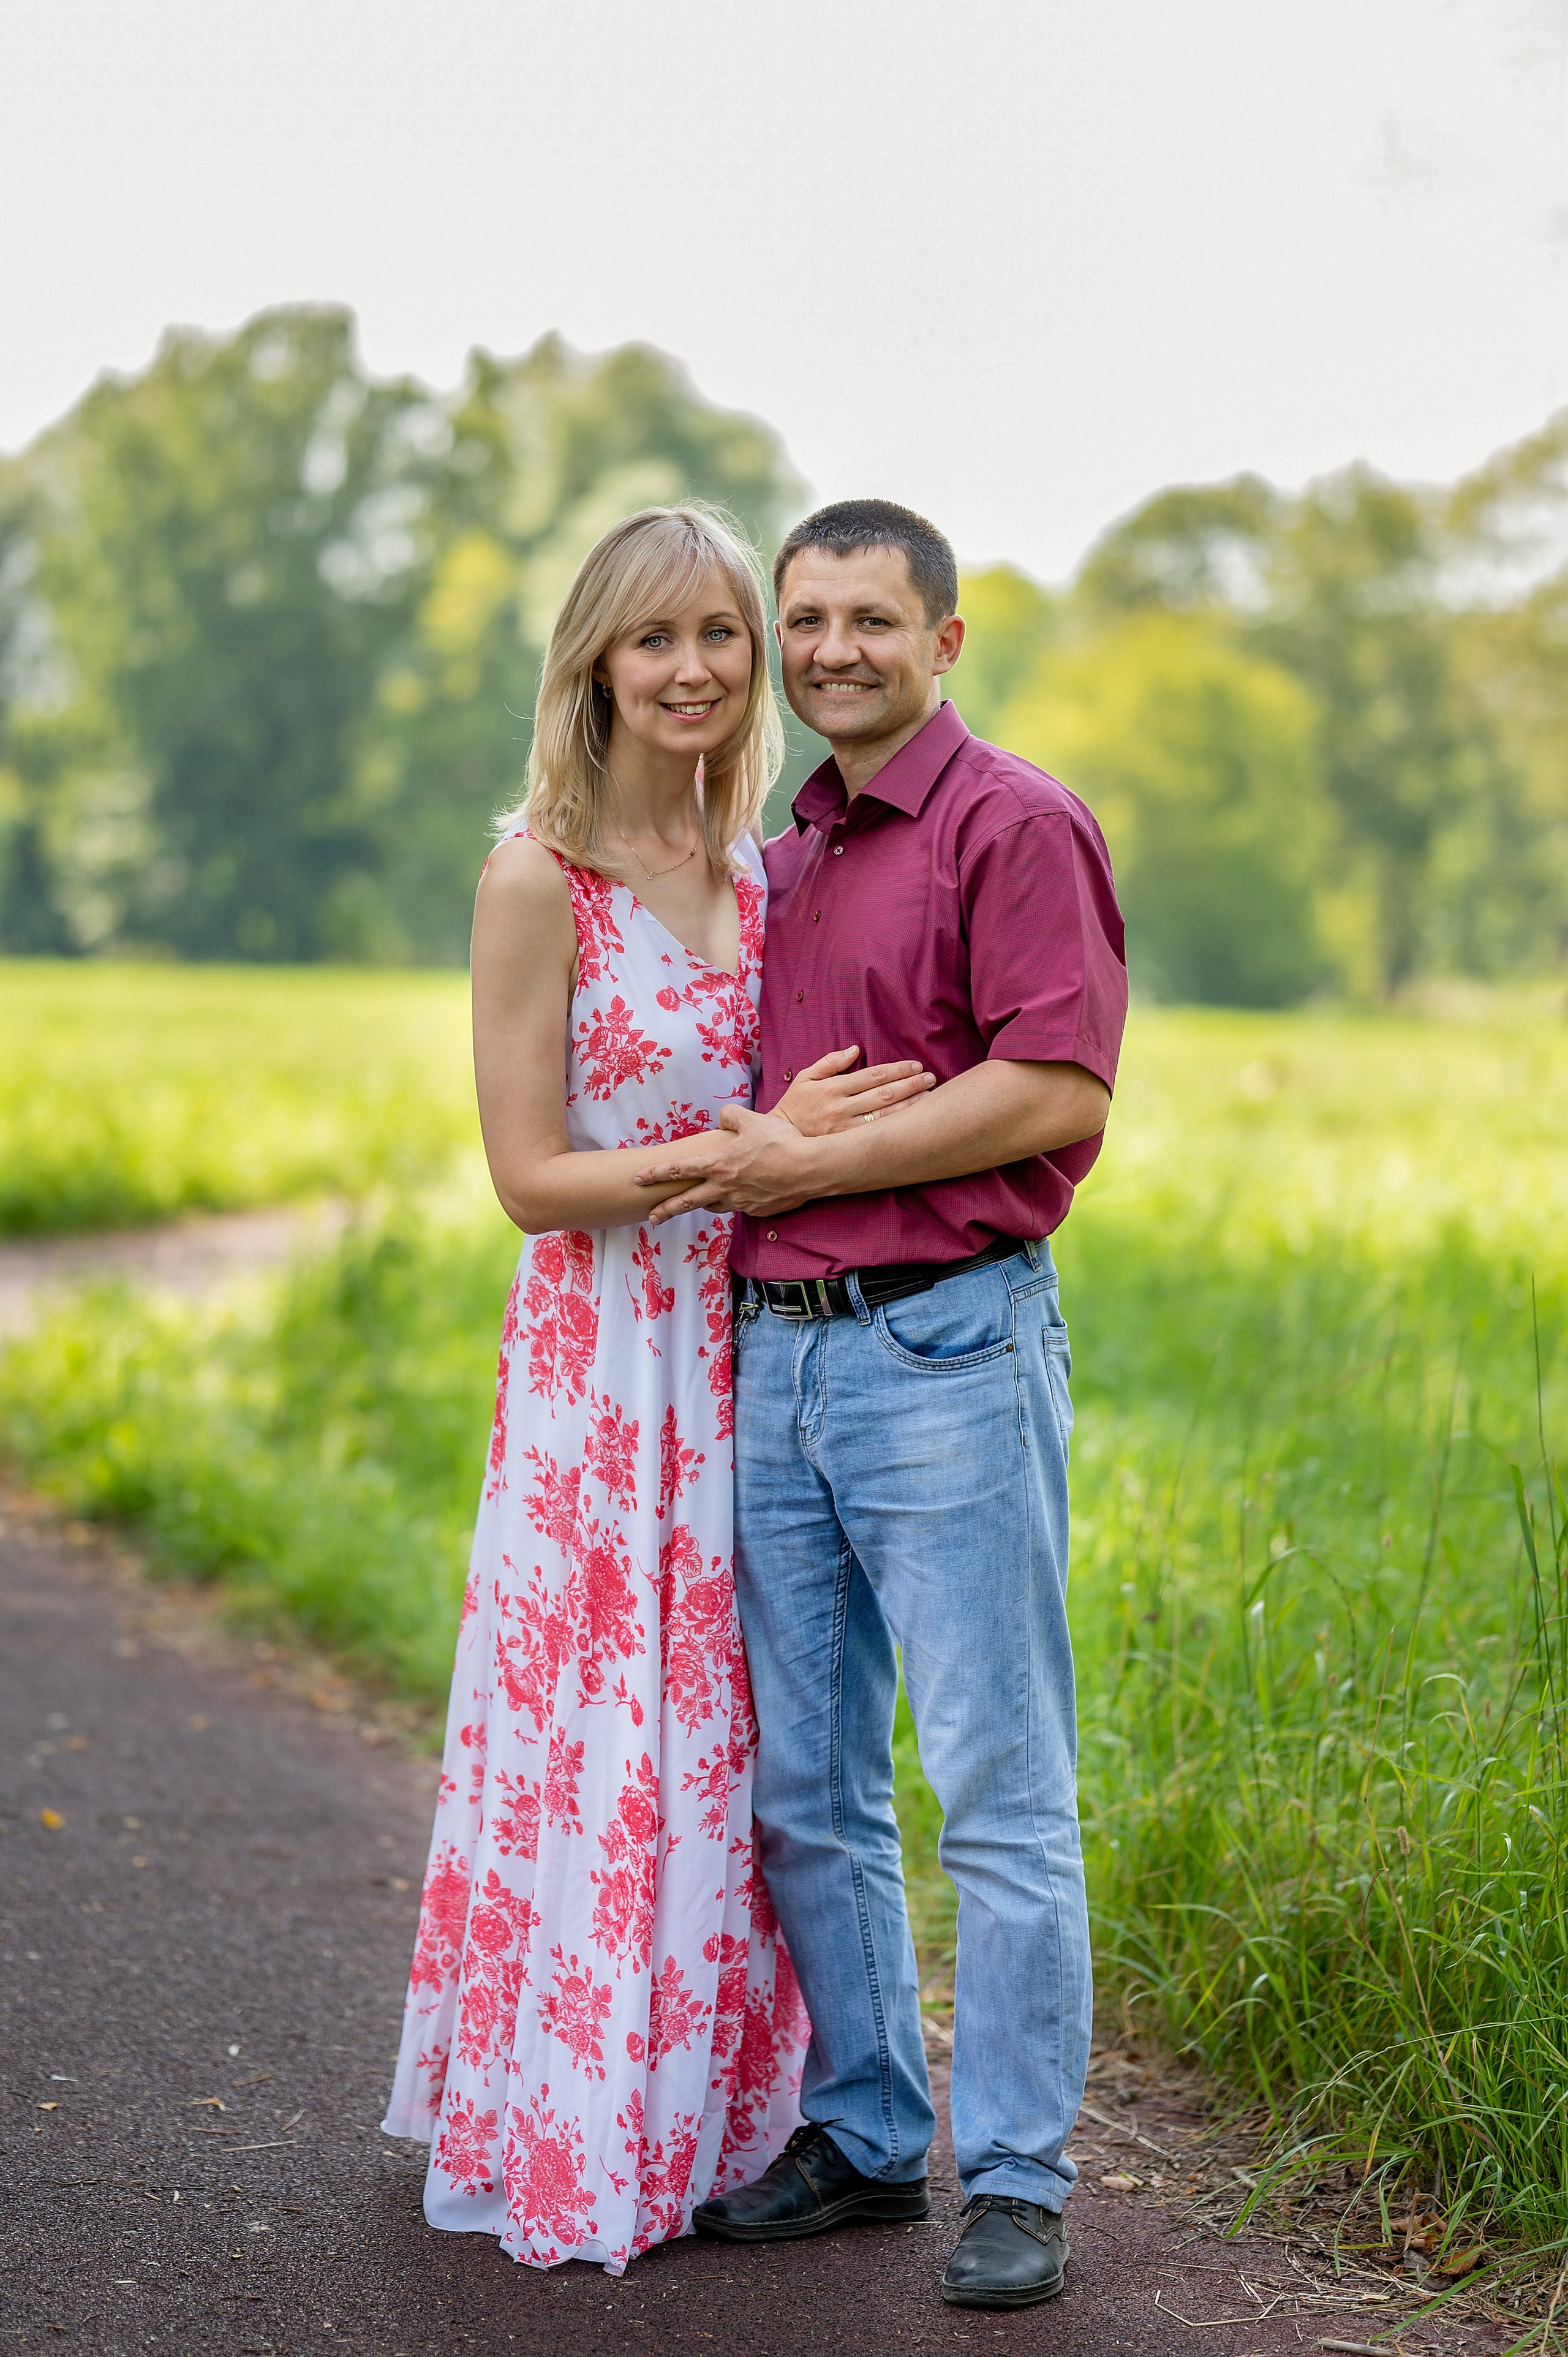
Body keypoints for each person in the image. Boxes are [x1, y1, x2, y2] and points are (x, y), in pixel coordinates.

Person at [380, 503, 934, 2272]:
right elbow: (531, 1180)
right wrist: (747, 1153)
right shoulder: (538, 874)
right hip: (609, 1373)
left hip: (762, 1346)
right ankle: (581, 2113)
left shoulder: (763, 869)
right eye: (655, 640)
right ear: (595, 666)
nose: (694, 669)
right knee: (617, 1736)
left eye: (720, 635)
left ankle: (748, 2116)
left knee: (751, 1742)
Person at [631, 499, 1128, 2310]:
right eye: (808, 617)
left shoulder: (1014, 824)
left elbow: (1056, 1091)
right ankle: (862, 2132)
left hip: (946, 1348)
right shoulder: (787, 849)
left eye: (870, 617)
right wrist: (761, 1182)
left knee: (996, 1785)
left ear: (946, 638)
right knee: (807, 1784)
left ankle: (1013, 2175)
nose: (834, 646)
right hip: (777, 1357)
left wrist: (787, 1171)